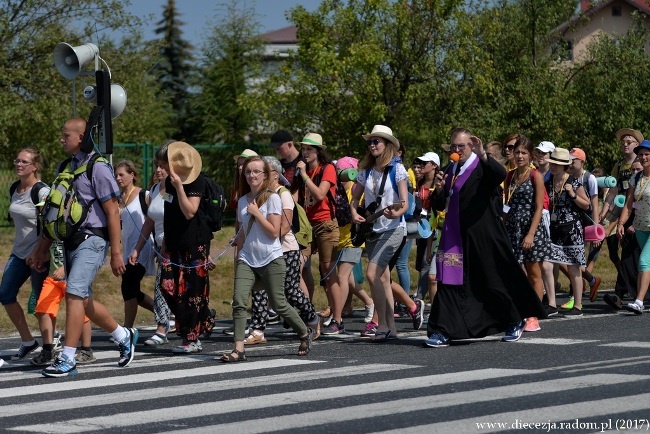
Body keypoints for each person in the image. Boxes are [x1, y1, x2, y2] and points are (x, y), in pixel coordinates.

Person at [29, 117, 136, 377]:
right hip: (70, 242)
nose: (61, 139)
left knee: (74, 294)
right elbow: (57, 213)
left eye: (66, 135)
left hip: (93, 240)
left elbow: (112, 212)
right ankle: (124, 336)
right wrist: (41, 248)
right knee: (84, 301)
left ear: (81, 137)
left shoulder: (98, 168)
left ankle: (67, 358)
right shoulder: (67, 166)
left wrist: (116, 253)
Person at [425, 128, 545, 348]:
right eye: (453, 146)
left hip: (483, 236)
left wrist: (483, 154)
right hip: (455, 238)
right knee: (449, 283)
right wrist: (439, 189)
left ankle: (514, 318)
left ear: (471, 146)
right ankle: (442, 330)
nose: (457, 150)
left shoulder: (480, 165)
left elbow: (498, 175)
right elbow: (440, 204)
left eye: (461, 146)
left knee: (493, 279)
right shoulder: (450, 169)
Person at [221, 156, 314, 362]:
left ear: (265, 175)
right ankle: (239, 349)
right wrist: (238, 248)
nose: (251, 175)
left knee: (280, 304)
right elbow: (243, 233)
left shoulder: (273, 198)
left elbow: (274, 232)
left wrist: (257, 213)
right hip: (248, 259)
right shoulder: (243, 200)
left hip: (271, 258)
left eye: (256, 171)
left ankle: (304, 332)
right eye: (248, 172)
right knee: (238, 302)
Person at [243, 156, 320, 345]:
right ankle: (258, 330)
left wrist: (267, 237)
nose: (259, 175)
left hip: (286, 249)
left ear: (274, 175)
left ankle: (312, 318)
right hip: (266, 251)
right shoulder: (261, 194)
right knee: (259, 290)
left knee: (290, 289)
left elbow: (284, 227)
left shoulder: (283, 194)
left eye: (264, 171)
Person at [350, 125, 409, 341]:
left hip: (394, 229)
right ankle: (391, 328)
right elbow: (354, 198)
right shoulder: (364, 172)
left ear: (388, 145)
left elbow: (404, 202)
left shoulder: (398, 170)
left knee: (372, 274)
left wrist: (397, 212)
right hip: (373, 229)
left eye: (377, 141)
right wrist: (354, 213)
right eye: (370, 142)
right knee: (383, 278)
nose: (373, 145)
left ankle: (381, 323)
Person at [157, 141, 215, 353]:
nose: (160, 168)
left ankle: (192, 337)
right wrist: (164, 242)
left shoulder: (196, 182)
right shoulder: (169, 184)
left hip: (194, 243)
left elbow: (190, 211)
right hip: (173, 242)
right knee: (168, 286)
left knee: (191, 291)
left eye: (164, 164)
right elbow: (169, 211)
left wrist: (180, 187)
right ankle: (203, 317)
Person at [1, 147, 50, 360]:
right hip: (19, 254)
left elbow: (49, 227)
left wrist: (39, 252)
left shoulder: (42, 191)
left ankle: (50, 344)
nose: (19, 165)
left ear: (35, 166)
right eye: (17, 160)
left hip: (39, 256)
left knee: (41, 305)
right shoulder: (14, 188)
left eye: (24, 162)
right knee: (5, 294)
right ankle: (28, 341)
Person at [296, 133, 343, 334]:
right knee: (296, 265)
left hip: (325, 223)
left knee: (328, 271)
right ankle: (308, 315)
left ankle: (338, 320)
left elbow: (320, 194)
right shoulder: (304, 171)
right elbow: (297, 196)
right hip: (307, 225)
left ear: (318, 151)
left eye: (309, 149)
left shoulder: (327, 168)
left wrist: (305, 175)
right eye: (304, 149)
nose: (305, 152)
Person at [503, 136, 551, 331]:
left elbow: (539, 207)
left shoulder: (535, 175)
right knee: (515, 272)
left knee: (534, 273)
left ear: (530, 155)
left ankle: (534, 314)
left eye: (523, 152)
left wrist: (531, 234)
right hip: (513, 227)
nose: (520, 155)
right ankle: (519, 309)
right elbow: (506, 204)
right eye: (517, 152)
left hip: (531, 228)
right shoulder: (510, 175)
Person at [129, 146, 174, 346]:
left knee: (170, 288)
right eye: (157, 165)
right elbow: (149, 222)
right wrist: (137, 248)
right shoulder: (156, 190)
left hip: (177, 246)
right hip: (161, 247)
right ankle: (165, 325)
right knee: (164, 287)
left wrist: (167, 242)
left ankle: (163, 328)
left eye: (163, 166)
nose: (158, 170)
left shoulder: (178, 189)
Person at [30, 240, 96, 366]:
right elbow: (46, 243)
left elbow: (83, 254)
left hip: (74, 278)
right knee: (43, 310)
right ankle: (48, 350)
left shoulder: (75, 225)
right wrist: (37, 256)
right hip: (53, 278)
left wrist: (65, 268)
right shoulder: (52, 226)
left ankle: (86, 350)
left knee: (82, 313)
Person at [545, 148, 591, 316]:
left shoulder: (574, 182)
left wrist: (572, 194)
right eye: (552, 163)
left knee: (574, 268)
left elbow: (587, 205)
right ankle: (551, 303)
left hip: (571, 229)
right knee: (547, 265)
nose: (554, 166)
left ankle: (578, 306)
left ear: (565, 166)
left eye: (558, 164)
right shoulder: (548, 182)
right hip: (554, 229)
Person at [115, 160, 157, 332]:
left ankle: (127, 330)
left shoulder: (144, 195)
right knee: (134, 291)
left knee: (128, 286)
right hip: (128, 249)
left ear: (132, 175)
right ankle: (165, 314)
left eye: (121, 175)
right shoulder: (118, 199)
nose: (118, 178)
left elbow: (154, 219)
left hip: (143, 247)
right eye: (116, 175)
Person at [602, 128, 643, 300]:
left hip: (642, 212)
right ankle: (624, 291)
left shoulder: (643, 164)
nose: (625, 145)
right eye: (623, 142)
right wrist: (604, 213)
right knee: (628, 252)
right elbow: (613, 191)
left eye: (629, 142)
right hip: (627, 211)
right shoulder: (619, 166)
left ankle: (630, 291)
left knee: (635, 255)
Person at [617, 140, 650, 314]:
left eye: (647, 154)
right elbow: (629, 204)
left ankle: (639, 301)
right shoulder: (636, 177)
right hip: (640, 226)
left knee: (644, 261)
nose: (644, 157)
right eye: (641, 154)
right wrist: (621, 223)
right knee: (644, 264)